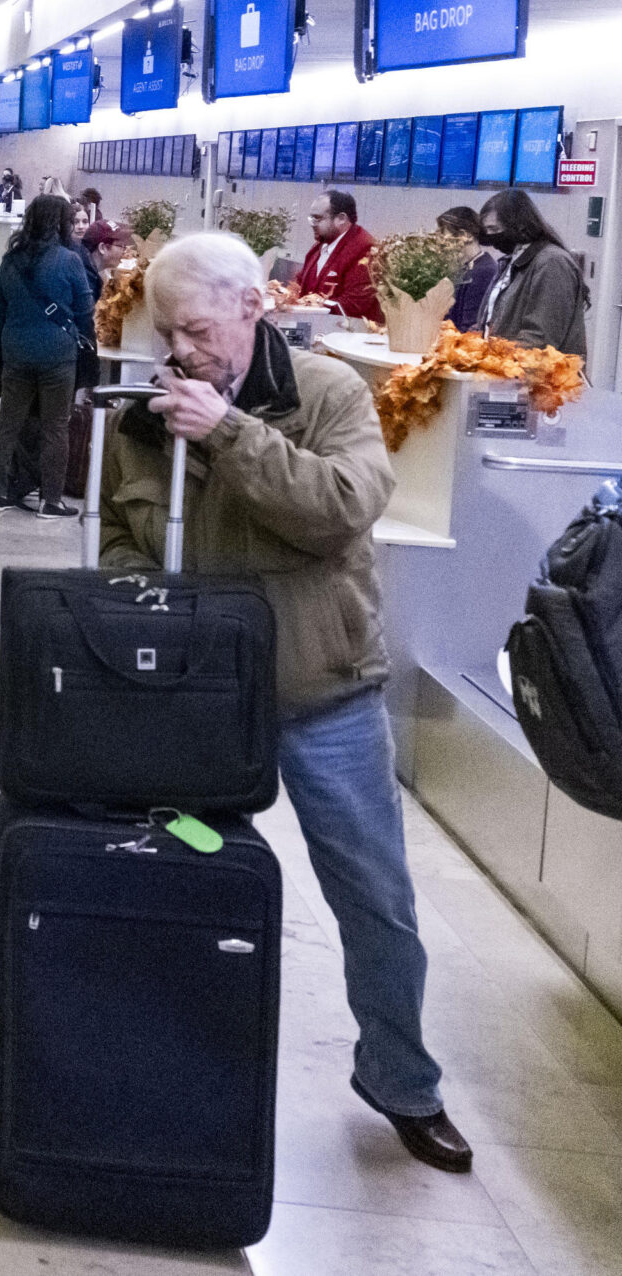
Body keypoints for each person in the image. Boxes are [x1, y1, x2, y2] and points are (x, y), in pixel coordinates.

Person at [104, 232, 468, 1174]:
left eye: (196, 331)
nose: (180, 353)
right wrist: (139, 597)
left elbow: (339, 508)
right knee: (182, 876)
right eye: (167, 334)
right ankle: (167, 1066)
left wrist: (226, 433)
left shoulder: (330, 394)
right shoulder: (144, 415)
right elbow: (116, 534)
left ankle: (402, 1080)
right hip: (198, 711)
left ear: (253, 309)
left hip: (323, 699)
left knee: (375, 899)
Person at [0, 194, 96, 517]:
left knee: (7, 424)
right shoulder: (70, 259)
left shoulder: (12, 259)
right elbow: (85, 309)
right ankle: (51, 500)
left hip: (16, 352)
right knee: (55, 427)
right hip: (57, 356)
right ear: (61, 223)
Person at [478, 189, 589, 356]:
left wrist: (492, 359)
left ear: (519, 224)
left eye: (494, 229)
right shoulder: (512, 261)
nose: (491, 237)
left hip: (540, 378)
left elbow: (541, 340)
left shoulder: (551, 262)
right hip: (509, 375)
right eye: (488, 231)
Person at [296, 191, 380, 323]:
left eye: (317, 218)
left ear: (341, 218)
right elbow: (300, 284)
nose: (312, 224)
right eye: (311, 218)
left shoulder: (365, 249)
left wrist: (316, 304)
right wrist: (284, 295)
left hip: (346, 334)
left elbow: (355, 303)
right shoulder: (319, 246)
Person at [434, 207, 499, 336]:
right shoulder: (466, 268)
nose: (438, 241)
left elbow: (469, 330)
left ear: (466, 236)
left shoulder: (484, 271)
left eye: (442, 233)